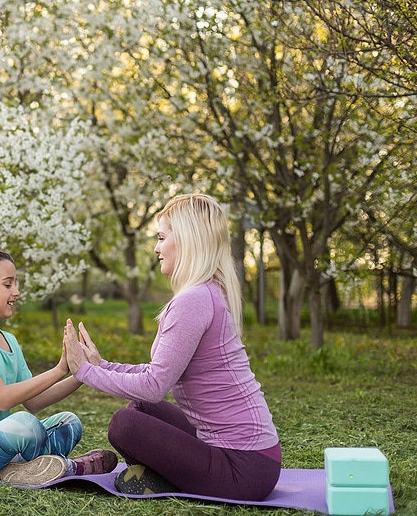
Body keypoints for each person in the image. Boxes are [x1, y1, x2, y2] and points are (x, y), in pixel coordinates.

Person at [65, 194, 281, 500]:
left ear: (188, 241)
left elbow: (154, 385)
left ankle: (164, 476)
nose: (156, 248)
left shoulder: (192, 301)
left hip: (245, 469)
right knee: (141, 409)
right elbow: (157, 376)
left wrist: (84, 372)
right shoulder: (205, 293)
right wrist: (101, 366)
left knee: (124, 425)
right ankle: (165, 475)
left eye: (162, 238)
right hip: (250, 458)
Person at [0, 247, 117, 485]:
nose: (16, 292)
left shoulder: (9, 341)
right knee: (25, 425)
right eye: (8, 284)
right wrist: (59, 369)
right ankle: (71, 468)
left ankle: (20, 469)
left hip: (0, 446)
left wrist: (81, 373)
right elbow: (2, 398)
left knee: (68, 422)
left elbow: (34, 401)